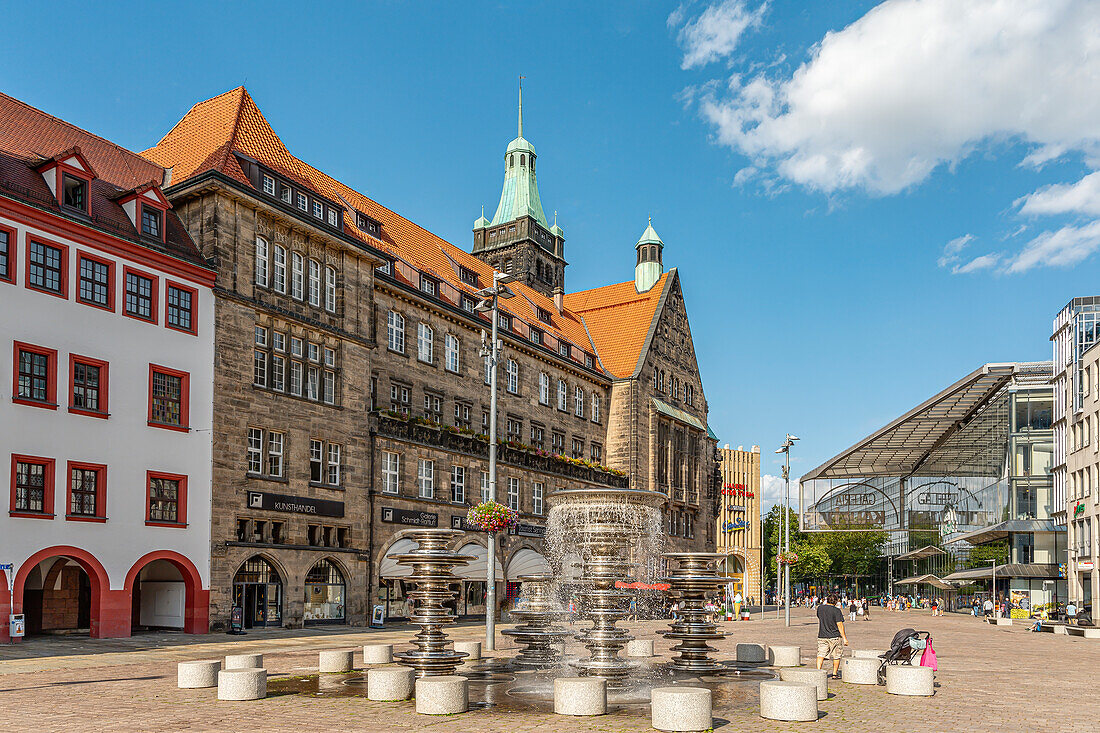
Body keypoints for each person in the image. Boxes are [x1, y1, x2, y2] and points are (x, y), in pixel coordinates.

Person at [815, 594, 849, 678]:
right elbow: (839, 625)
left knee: (821, 654)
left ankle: (818, 671)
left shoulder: (820, 608)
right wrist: (844, 638)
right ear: (836, 601)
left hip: (822, 635)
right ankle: (834, 673)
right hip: (835, 636)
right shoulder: (836, 611)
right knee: (836, 655)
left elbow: (819, 617)